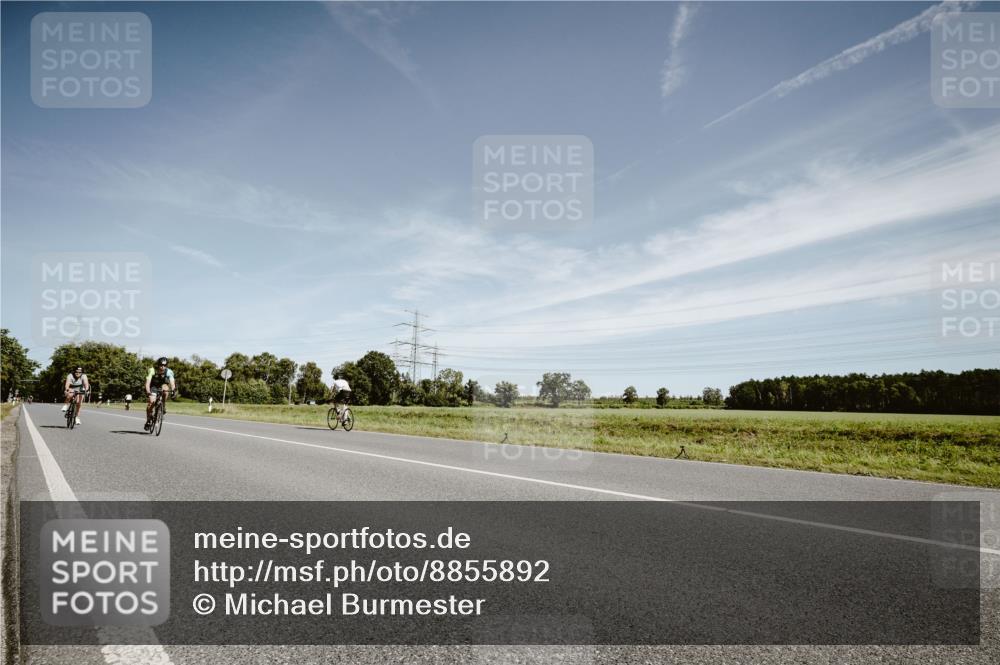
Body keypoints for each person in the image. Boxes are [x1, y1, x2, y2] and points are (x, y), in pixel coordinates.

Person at [145, 357, 176, 431]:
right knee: (151, 402)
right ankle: (148, 420)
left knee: (166, 389)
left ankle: (163, 405)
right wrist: (148, 392)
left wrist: (173, 390)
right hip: (153, 386)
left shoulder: (169, 372)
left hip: (162, 385)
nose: (163, 367)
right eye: (161, 365)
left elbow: (172, 382)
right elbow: (147, 383)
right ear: (158, 365)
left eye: (165, 365)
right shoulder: (152, 370)